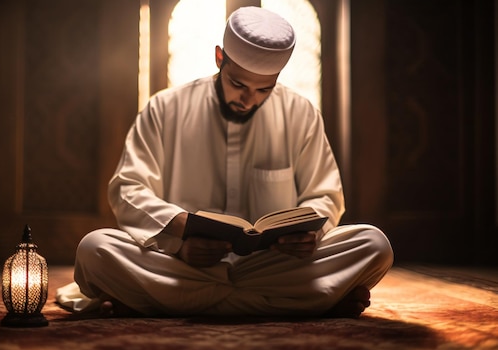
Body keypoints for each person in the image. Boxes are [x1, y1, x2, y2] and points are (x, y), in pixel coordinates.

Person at [59, 6, 393, 318]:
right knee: (95, 249)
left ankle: (164, 302)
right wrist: (179, 240)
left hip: (272, 267)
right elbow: (128, 189)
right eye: (238, 84)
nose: (249, 100)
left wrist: (308, 236)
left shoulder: (300, 113)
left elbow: (325, 195)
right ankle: (306, 303)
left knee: (373, 244)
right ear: (220, 58)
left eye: (264, 90)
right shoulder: (164, 108)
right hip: (182, 266)